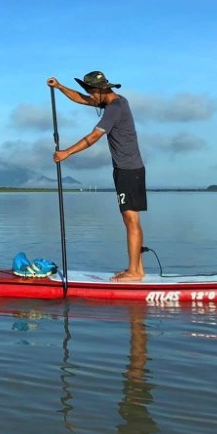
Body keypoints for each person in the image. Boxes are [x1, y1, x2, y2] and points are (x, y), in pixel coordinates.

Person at [47, 71, 148, 282]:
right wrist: (60, 87)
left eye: (92, 93)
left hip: (128, 170)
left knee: (130, 220)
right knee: (133, 220)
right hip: (129, 169)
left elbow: (93, 137)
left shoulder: (113, 109)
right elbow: (81, 99)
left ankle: (134, 272)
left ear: (102, 91)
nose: (90, 97)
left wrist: (66, 152)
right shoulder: (116, 102)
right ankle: (137, 269)